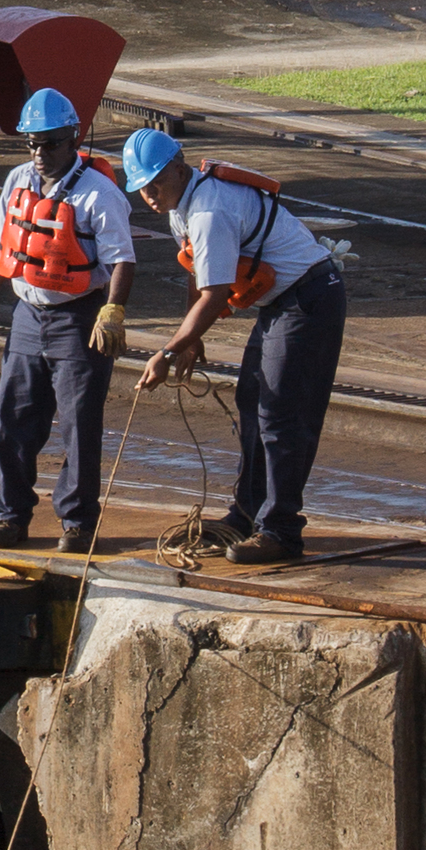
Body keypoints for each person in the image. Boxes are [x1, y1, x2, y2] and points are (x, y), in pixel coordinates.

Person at [123, 128, 346, 566]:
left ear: (180, 167)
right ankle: (245, 517)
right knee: (251, 402)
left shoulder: (209, 210)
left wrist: (169, 352)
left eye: (156, 183)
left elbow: (216, 293)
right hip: (282, 302)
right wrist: (192, 341)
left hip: (309, 298)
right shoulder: (180, 208)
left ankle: (281, 530)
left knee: (280, 414)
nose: (150, 195)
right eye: (142, 188)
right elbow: (196, 270)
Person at [0, 89, 136, 550]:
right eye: (33, 144)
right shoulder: (19, 180)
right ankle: (11, 516)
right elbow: (1, 247)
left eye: (51, 144)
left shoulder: (99, 194)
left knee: (79, 426)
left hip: (78, 318)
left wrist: (112, 312)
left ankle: (78, 522)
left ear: (73, 139)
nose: (40, 154)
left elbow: (123, 259)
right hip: (27, 314)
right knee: (12, 421)